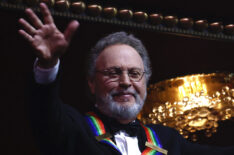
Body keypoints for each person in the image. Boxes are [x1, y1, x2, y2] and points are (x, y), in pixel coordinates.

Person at [19, 3, 234, 155]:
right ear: (92, 83)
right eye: (113, 72)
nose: (125, 81)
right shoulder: (74, 129)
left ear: (145, 82)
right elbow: (43, 112)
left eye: (134, 73)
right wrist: (47, 65)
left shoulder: (169, 140)